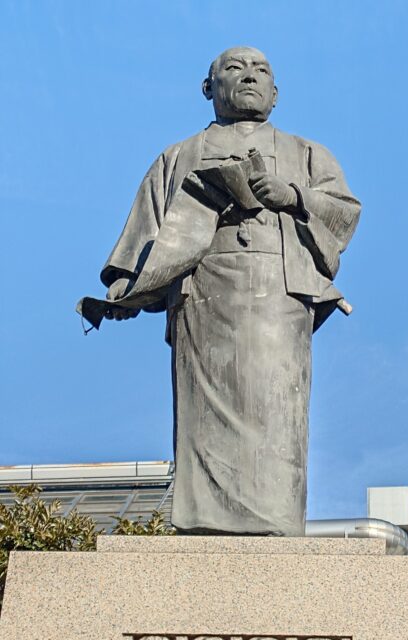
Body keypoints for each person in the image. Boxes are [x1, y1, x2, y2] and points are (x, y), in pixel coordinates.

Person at [96, 46, 361, 536]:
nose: (250, 76)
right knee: (203, 416)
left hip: (279, 295)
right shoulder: (178, 156)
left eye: (261, 71)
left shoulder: (306, 153)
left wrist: (293, 195)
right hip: (202, 297)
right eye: (235, 68)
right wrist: (126, 286)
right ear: (209, 87)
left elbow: (343, 212)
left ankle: (275, 519)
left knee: (277, 410)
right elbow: (147, 229)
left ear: (276, 94)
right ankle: (205, 520)